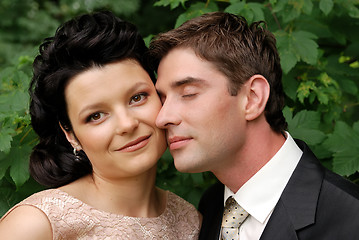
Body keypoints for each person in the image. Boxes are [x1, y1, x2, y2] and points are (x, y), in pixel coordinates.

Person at [149, 11, 359, 240]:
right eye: (162, 99)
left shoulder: (351, 219)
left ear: (252, 98)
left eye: (188, 93)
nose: (162, 118)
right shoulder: (210, 207)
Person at [0, 11, 200, 239]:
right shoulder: (35, 225)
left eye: (137, 97)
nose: (127, 124)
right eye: (96, 116)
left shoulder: (191, 220)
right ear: (71, 134)